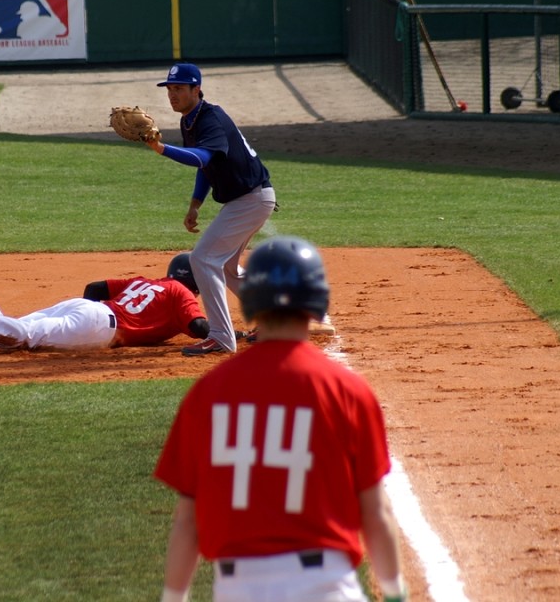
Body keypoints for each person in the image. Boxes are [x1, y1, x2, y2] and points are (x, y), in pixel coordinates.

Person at [153, 236, 407, 602]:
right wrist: (395, 594)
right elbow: (376, 513)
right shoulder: (346, 390)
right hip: (324, 586)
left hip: (237, 589)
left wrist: (172, 598)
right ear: (316, 300)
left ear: (251, 300)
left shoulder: (207, 392)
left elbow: (187, 523)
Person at [144, 62, 277, 356]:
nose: (172, 95)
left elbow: (202, 157)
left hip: (251, 200)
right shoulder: (190, 120)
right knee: (227, 266)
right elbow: (207, 167)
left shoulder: (211, 119)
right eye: (170, 89)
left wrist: (161, 149)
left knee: (203, 258)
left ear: (196, 89)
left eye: (179, 88)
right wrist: (195, 204)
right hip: (248, 200)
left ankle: (220, 336)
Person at [0, 252, 208, 352]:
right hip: (99, 325)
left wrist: (84, 318)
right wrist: (225, 334)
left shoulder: (148, 282)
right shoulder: (181, 293)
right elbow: (198, 326)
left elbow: (94, 288)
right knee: (24, 337)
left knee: (13, 330)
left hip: (86, 309)